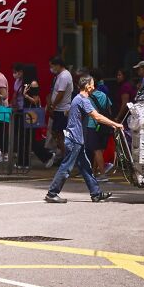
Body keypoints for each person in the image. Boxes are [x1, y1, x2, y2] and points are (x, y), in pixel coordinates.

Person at [45, 74, 124, 204]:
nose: (94, 86)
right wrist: (115, 124)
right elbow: (97, 117)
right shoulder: (82, 100)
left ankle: (96, 193)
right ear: (88, 87)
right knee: (66, 167)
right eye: (92, 84)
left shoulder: (77, 99)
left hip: (76, 138)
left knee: (86, 167)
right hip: (74, 139)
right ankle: (52, 193)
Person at [46, 56, 73, 161]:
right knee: (56, 133)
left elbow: (61, 93)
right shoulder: (60, 76)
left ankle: (66, 156)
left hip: (62, 110)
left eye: (52, 66)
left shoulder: (64, 76)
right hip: (58, 109)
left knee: (60, 133)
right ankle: (63, 154)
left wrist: (53, 105)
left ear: (58, 65)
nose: (51, 68)